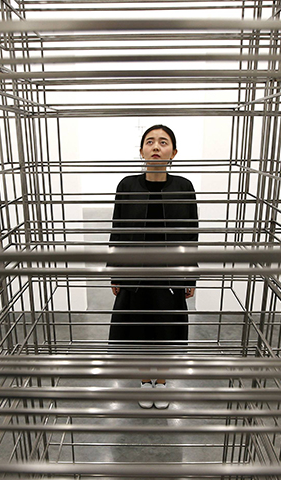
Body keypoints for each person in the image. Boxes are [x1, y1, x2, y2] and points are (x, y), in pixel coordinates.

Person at [108, 124, 198, 409]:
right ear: (141, 151)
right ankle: (145, 381)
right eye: (150, 142)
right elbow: (118, 230)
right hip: (136, 273)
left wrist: (190, 275)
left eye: (163, 142)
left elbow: (191, 234)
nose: (156, 146)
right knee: (139, 329)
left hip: (169, 273)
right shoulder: (127, 185)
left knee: (166, 329)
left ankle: (162, 382)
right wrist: (115, 270)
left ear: (174, 152)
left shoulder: (184, 187)